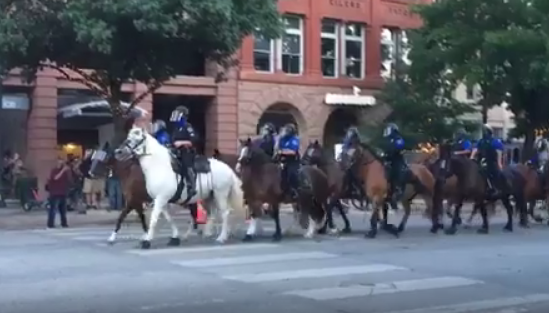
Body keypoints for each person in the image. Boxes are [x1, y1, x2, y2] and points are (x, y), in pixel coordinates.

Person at [170, 105, 199, 201]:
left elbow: (194, 140)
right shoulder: (177, 128)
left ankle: (191, 186)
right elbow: (173, 140)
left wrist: (182, 143)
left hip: (187, 152)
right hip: (176, 152)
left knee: (186, 164)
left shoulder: (188, 127)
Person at [470, 124, 504, 197]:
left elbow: (499, 153)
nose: (484, 133)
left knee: (494, 172)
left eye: (485, 131)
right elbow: (476, 149)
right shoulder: (481, 141)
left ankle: (495, 188)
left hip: (492, 161)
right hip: (481, 161)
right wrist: (472, 157)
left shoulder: (495, 141)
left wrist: (499, 163)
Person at [274, 123, 300, 199]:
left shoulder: (294, 139)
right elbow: (276, 149)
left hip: (292, 161)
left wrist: (281, 151)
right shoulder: (282, 139)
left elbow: (293, 152)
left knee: (291, 174)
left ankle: (295, 190)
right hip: (282, 160)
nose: (284, 132)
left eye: (286, 130)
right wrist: (277, 140)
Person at [381, 122, 406, 201]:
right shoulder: (388, 140)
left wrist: (390, 154)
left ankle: (398, 188)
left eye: (388, 129)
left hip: (397, 160)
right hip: (388, 160)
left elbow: (399, 148)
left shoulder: (399, 139)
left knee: (396, 170)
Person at [46, 157, 72, 228]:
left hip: (63, 192)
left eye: (62, 161)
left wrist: (68, 171)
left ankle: (64, 223)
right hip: (55, 193)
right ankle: (50, 224)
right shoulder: (54, 170)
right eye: (60, 161)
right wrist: (63, 170)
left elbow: (69, 180)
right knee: (53, 209)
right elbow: (55, 178)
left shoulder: (65, 171)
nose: (61, 163)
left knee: (63, 210)